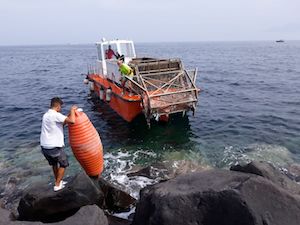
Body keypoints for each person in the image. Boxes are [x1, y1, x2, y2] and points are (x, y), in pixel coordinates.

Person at [40, 97, 77, 191]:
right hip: (54, 147)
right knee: (64, 164)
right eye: (60, 107)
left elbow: (62, 123)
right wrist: (72, 110)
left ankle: (58, 180)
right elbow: (72, 121)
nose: (60, 109)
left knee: (54, 164)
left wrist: (68, 116)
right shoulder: (56, 115)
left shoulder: (46, 115)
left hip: (44, 147)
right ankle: (57, 185)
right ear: (57, 106)